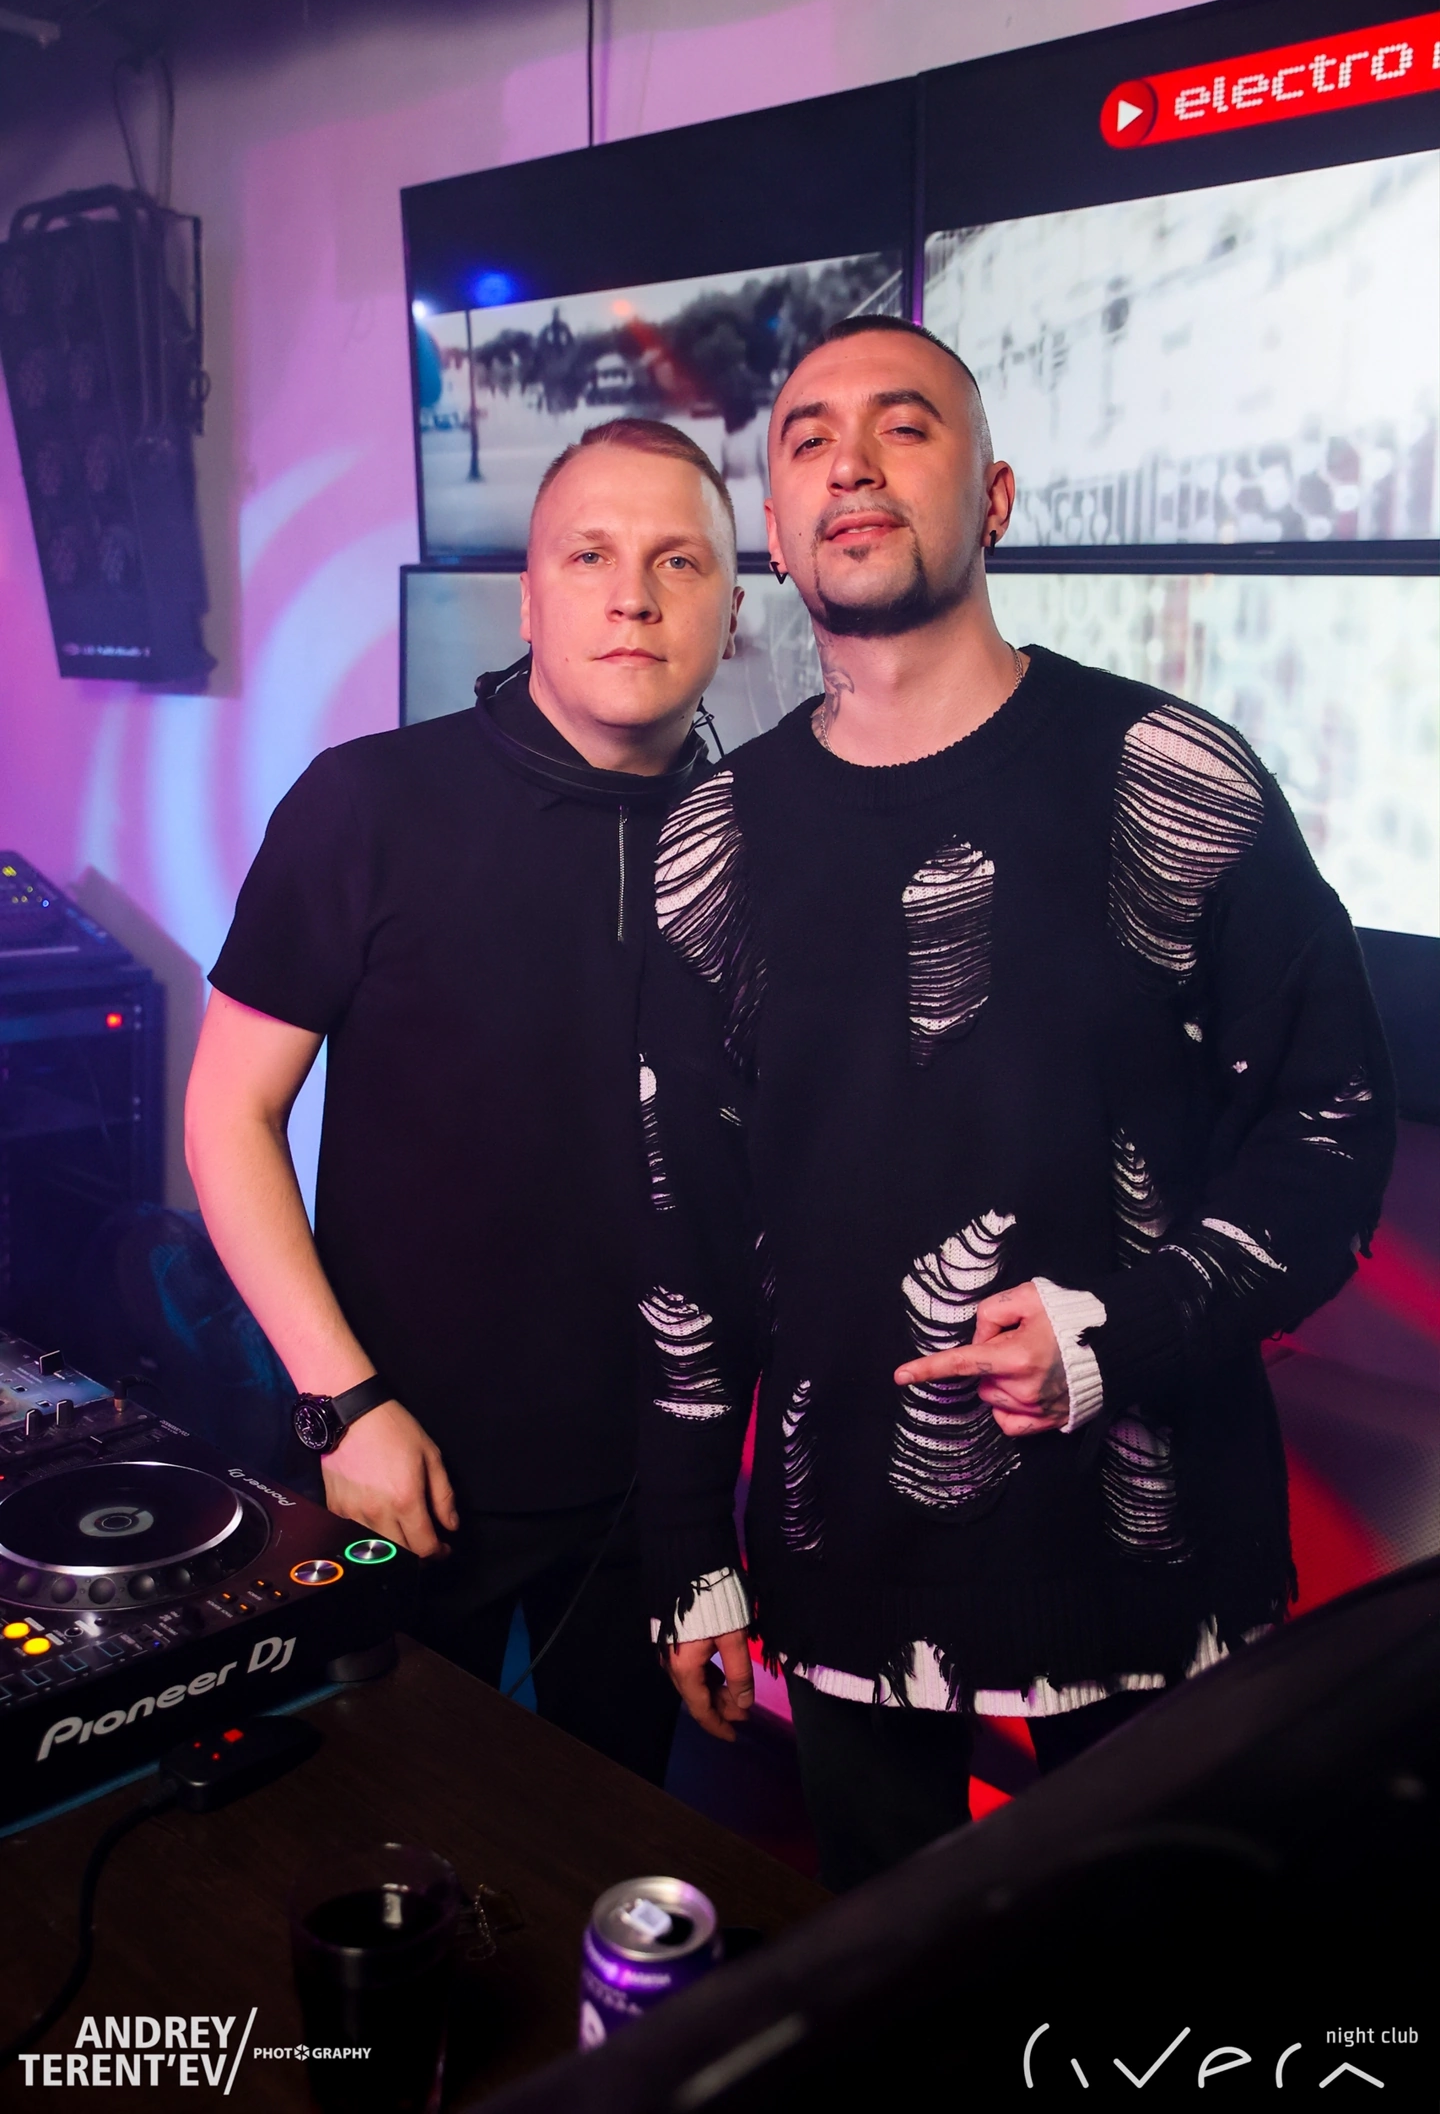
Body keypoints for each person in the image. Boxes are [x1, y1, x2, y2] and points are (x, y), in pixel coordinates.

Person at [637, 316, 1395, 1888]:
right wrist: (692, 1551)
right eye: (809, 438)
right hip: (845, 1576)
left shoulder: (1172, 771)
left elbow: (1328, 1126)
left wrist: (1126, 1333)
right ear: (775, 529)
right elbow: (686, 1228)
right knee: (903, 1993)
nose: (852, 462)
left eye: (904, 426)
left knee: (1162, 1984)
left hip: (1157, 1569)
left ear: (994, 497)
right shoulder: (715, 842)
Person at [185, 417, 741, 1784]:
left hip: (650, 1497)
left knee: (602, 1844)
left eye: (679, 561)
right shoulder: (367, 802)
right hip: (392, 1456)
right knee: (372, 1839)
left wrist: (713, 1515)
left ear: (734, 608)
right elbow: (227, 1117)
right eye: (591, 555)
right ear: (530, 598)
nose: (633, 595)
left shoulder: (764, 841)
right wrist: (343, 1404)